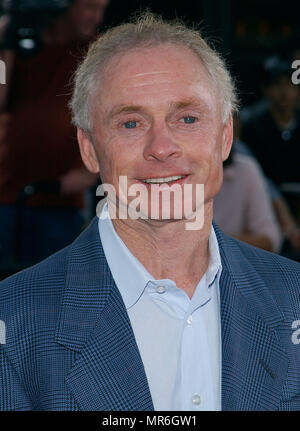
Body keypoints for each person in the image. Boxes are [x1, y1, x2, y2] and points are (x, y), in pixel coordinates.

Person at [0, 13, 300, 411]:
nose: (161, 146)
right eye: (130, 123)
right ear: (89, 149)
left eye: (188, 118)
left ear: (225, 137)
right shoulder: (15, 323)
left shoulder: (292, 298)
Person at [0, 0, 108, 268]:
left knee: (53, 289)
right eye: (91, 7)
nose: (97, 18)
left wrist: (89, 172)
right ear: (63, 6)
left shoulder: (95, 52)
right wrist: (5, 48)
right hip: (6, 194)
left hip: (60, 198)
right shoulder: (22, 43)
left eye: (101, 9)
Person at [213, 143, 282, 253]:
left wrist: (215, 242)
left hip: (233, 263)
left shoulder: (246, 170)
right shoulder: (182, 174)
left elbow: (270, 239)